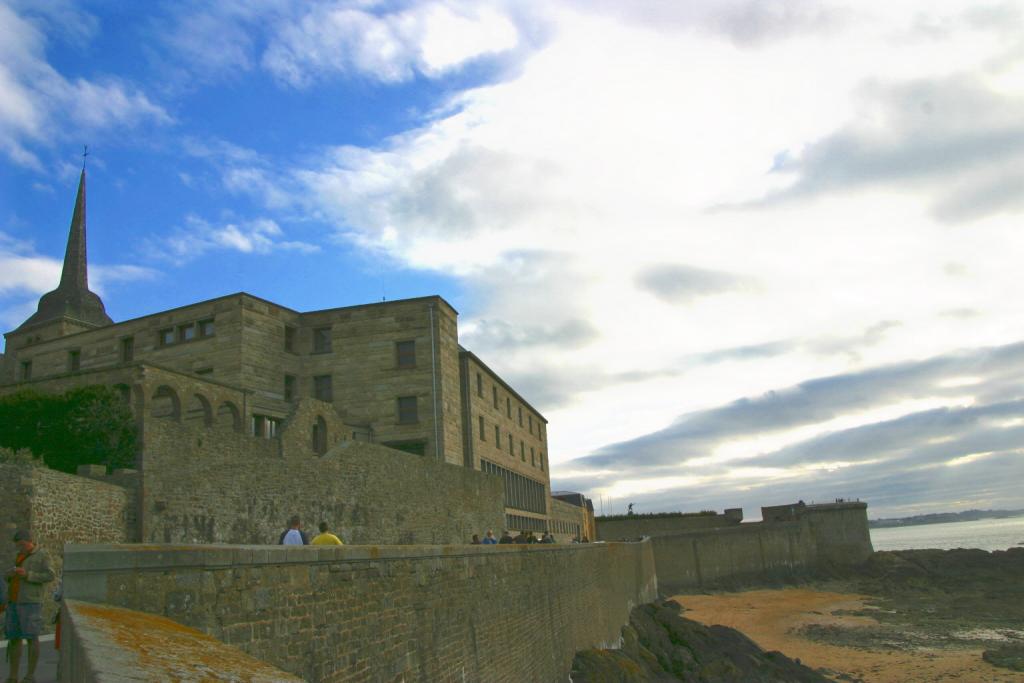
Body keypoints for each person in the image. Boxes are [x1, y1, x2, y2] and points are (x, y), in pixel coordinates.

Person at [4, 529, 55, 683]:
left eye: (21, 545)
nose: (19, 548)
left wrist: (28, 575)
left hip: (31, 602)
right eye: (17, 545)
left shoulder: (42, 555)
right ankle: (13, 676)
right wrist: (10, 575)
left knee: (32, 638)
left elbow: (50, 575)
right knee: (14, 638)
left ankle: (30, 676)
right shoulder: (19, 556)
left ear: (29, 541)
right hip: (13, 602)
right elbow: (7, 578)